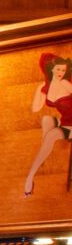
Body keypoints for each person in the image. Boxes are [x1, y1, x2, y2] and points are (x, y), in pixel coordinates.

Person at [24, 52, 72, 196]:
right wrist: (40, 90)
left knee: (51, 135)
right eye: (58, 69)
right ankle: (44, 156)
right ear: (51, 69)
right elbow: (35, 108)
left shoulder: (66, 84)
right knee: (46, 119)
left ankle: (30, 177)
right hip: (65, 122)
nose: (60, 73)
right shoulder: (46, 87)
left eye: (63, 70)